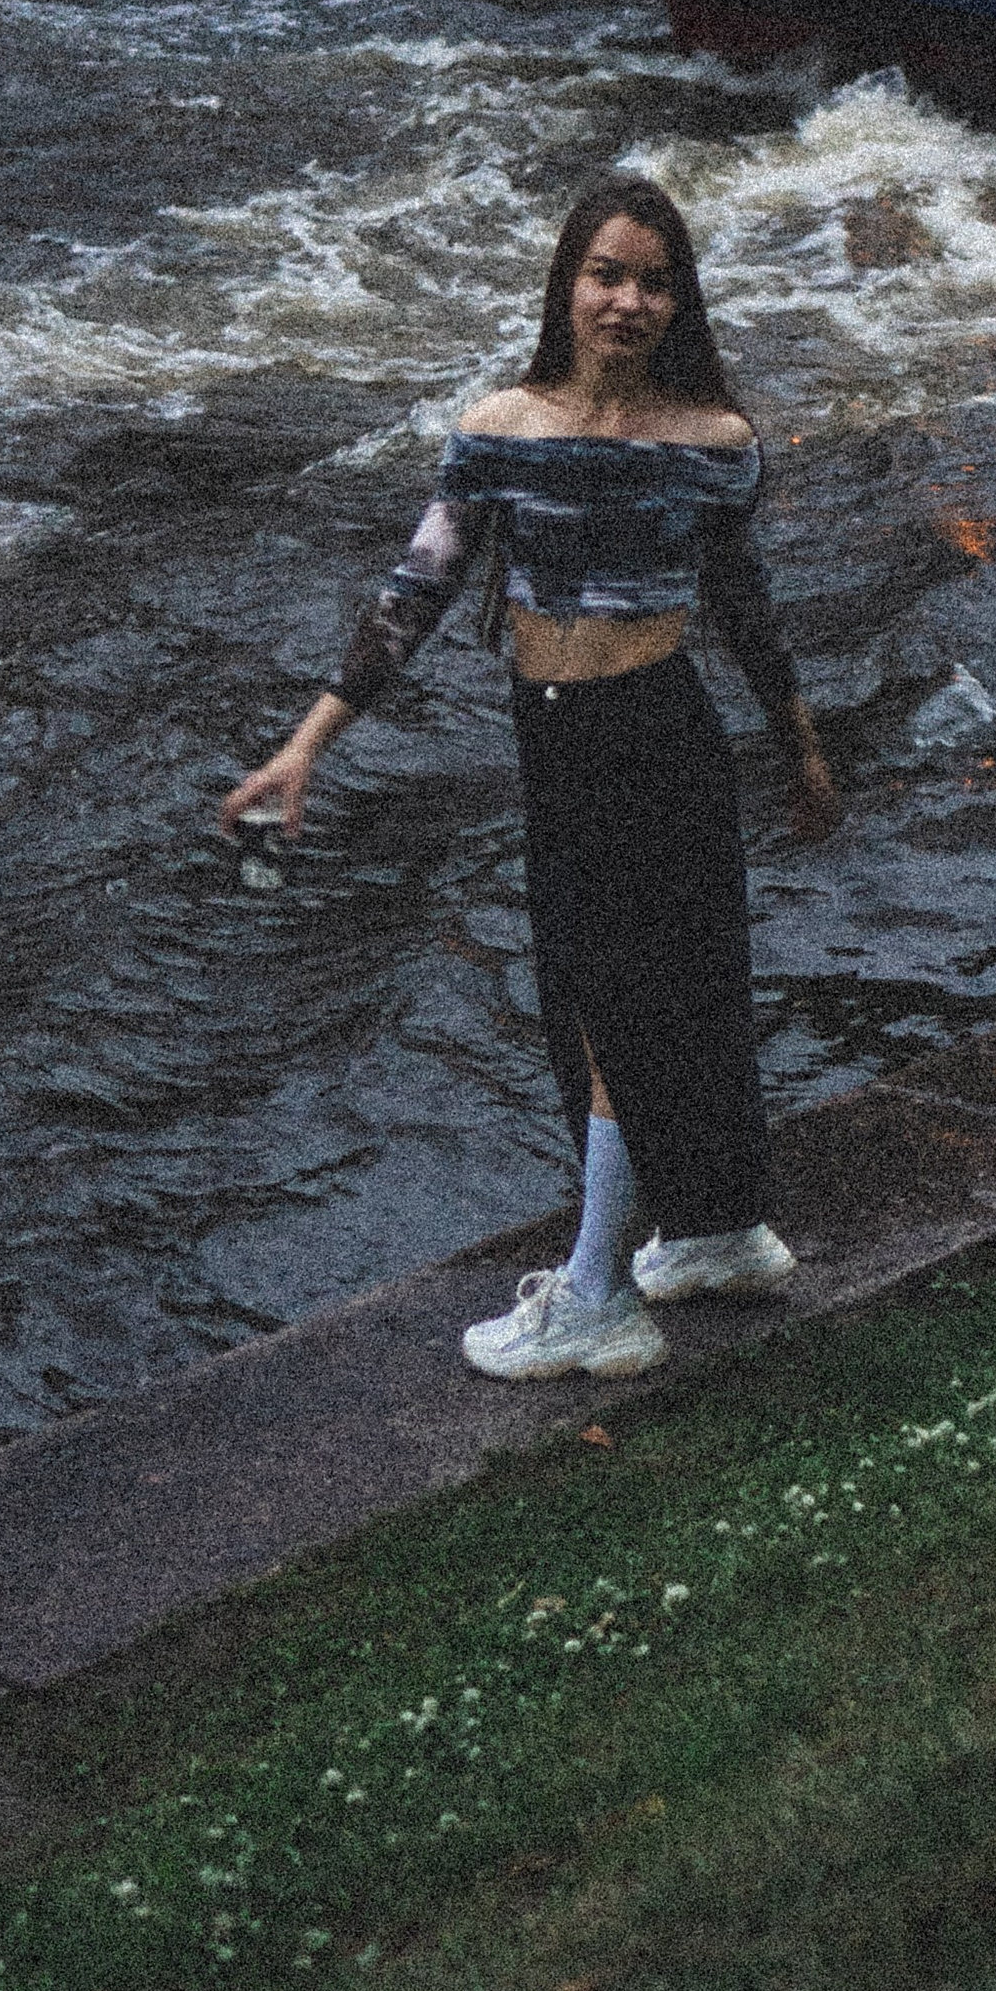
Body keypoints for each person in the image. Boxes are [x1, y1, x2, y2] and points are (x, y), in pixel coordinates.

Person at [221, 176, 840, 1385]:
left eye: (654, 281)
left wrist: (801, 742)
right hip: (552, 734)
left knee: (625, 1004)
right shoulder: (499, 425)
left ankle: (601, 1295)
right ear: (565, 284)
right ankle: (715, 1231)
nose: (627, 299)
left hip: (653, 735)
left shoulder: (715, 446)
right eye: (605, 273)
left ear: (681, 301)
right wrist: (307, 744)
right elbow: (417, 592)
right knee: (641, 994)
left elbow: (744, 606)